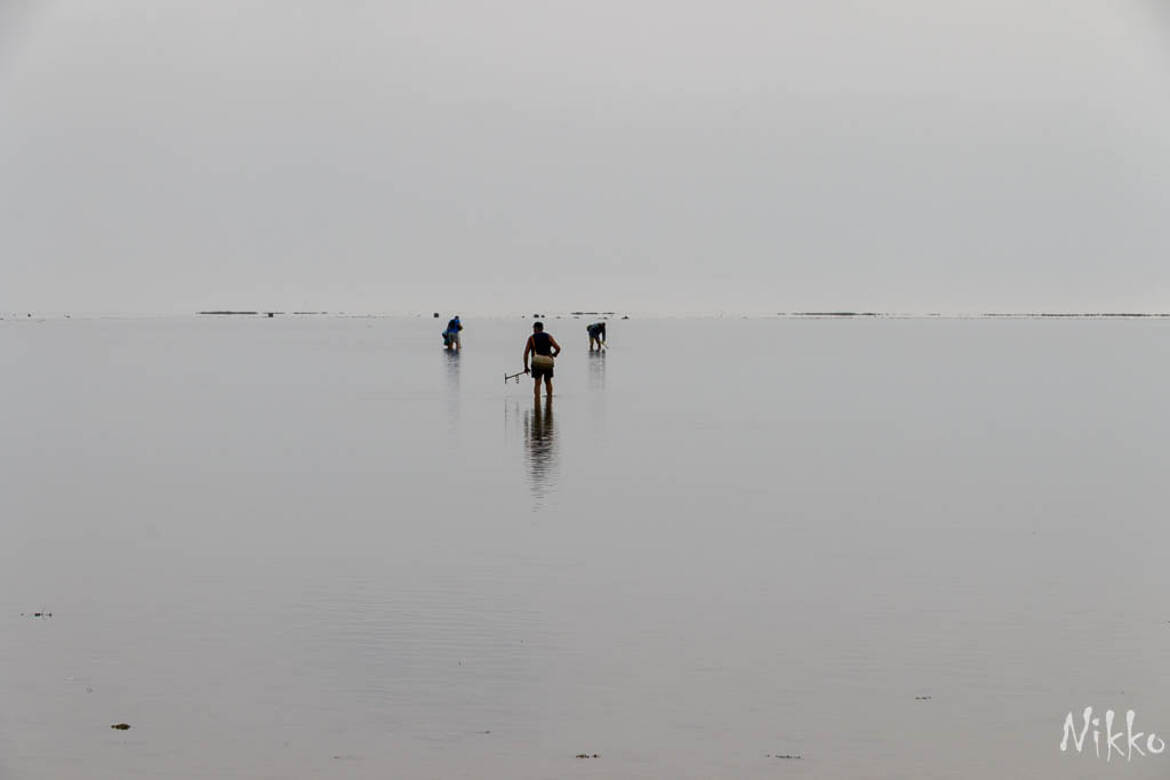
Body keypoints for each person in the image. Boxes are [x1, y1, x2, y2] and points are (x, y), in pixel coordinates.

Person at [523, 321, 561, 399]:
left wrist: (526, 367)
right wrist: (554, 354)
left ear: (536, 328)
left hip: (537, 362)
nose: (533, 329)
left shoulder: (531, 338)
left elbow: (526, 353)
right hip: (548, 362)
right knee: (548, 381)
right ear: (542, 328)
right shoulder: (548, 336)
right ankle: (549, 399)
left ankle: (537, 401)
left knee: (537, 383)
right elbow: (558, 348)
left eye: (533, 328)